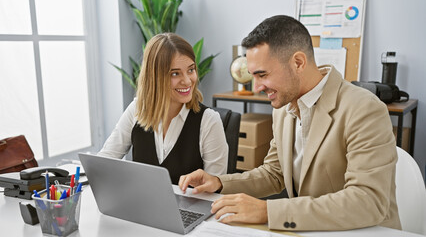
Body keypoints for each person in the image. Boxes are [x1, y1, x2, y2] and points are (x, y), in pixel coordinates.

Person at [179, 15, 401, 231]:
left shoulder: (364, 109)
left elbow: (368, 201)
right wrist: (219, 182)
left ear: (298, 63)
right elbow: (275, 173)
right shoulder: (284, 109)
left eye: (262, 75)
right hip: (310, 229)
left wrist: (269, 212)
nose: (256, 87)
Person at [98, 33, 228, 184]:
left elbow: (215, 189)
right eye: (175, 73)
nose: (187, 81)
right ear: (154, 77)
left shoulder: (208, 121)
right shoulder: (136, 110)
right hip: (142, 205)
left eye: (191, 70)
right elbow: (104, 161)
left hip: (190, 207)